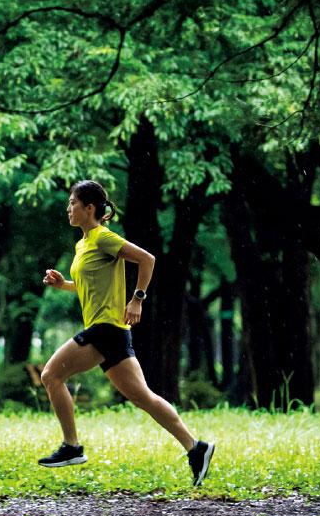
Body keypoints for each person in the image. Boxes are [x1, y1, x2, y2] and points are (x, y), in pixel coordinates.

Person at [35, 179, 215, 487]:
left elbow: (147, 259)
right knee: (143, 397)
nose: (68, 209)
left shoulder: (104, 238)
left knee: (51, 376)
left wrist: (137, 298)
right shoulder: (83, 244)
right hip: (113, 333)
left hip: (104, 328)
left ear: (88, 208)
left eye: (72, 203)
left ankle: (72, 446)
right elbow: (88, 285)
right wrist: (62, 284)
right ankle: (195, 448)